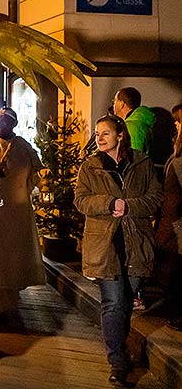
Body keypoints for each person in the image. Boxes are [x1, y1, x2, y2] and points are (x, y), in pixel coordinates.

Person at [75, 114, 162, 387]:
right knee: (113, 303)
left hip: (136, 243)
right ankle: (118, 361)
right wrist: (109, 203)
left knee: (125, 303)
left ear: (120, 135)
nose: (99, 138)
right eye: (98, 133)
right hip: (105, 244)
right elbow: (81, 200)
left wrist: (130, 206)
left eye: (105, 133)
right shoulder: (91, 167)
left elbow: (156, 197)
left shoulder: (142, 163)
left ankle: (120, 349)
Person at [0, 106, 47, 315]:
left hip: (15, 213)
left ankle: (9, 302)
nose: (0, 125)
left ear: (13, 124)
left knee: (11, 257)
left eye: (5, 122)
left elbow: (37, 174)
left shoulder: (25, 148)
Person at [155, 105, 182, 329]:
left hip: (176, 223)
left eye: (178, 121)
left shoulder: (180, 160)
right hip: (171, 220)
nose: (174, 125)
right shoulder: (176, 155)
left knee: (174, 271)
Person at [113, 87, 155, 154]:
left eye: (115, 101)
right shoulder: (138, 122)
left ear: (122, 104)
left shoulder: (131, 127)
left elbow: (134, 157)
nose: (113, 105)